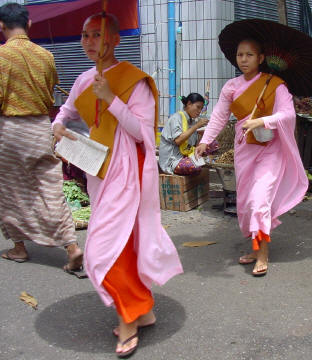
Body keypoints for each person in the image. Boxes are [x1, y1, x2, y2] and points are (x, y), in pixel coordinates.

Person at [52, 13, 182, 357]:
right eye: (85, 35)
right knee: (117, 243)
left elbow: (142, 132)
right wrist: (59, 126)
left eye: (98, 34)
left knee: (102, 249)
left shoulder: (135, 80)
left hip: (126, 170)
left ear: (116, 40)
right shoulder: (83, 78)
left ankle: (128, 320)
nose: (90, 41)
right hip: (97, 169)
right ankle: (144, 309)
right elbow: (65, 112)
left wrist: (111, 97)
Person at [195, 38, 308, 277]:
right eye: (240, 55)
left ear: (261, 58)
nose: (244, 60)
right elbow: (219, 116)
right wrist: (205, 140)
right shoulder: (231, 87)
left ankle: (263, 253)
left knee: (259, 200)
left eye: (249, 55)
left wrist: (262, 120)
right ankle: (256, 248)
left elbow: (288, 114)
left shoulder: (276, 84)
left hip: (271, 149)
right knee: (246, 203)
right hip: (245, 147)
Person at [0, 3, 83, 271]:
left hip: (10, 131)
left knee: (11, 191)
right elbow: (51, 89)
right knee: (50, 188)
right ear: (30, 25)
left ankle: (19, 247)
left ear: (1, 27)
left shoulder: (1, 57)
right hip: (39, 127)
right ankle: (71, 246)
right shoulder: (45, 56)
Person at [158, 93, 217, 175]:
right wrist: (196, 126)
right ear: (189, 104)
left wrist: (203, 134)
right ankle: (201, 162)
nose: (199, 111)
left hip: (187, 156)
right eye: (198, 107)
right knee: (195, 167)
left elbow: (193, 144)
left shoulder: (192, 121)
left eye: (201, 108)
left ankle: (201, 161)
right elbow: (178, 140)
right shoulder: (176, 118)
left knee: (213, 144)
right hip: (173, 160)